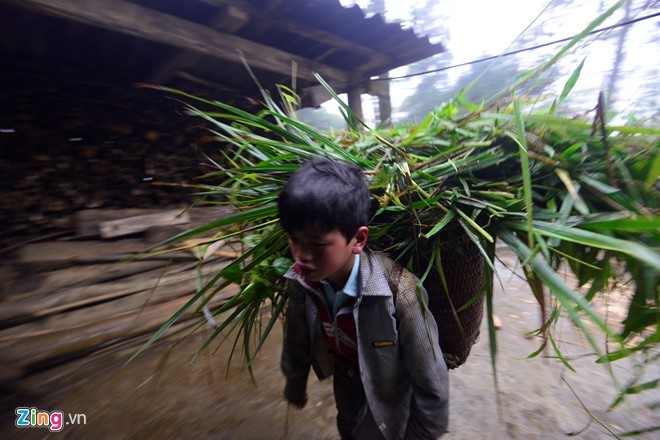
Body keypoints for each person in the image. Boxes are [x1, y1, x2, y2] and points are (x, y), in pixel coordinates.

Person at [278, 157, 449, 440]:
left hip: (392, 385)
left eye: (317, 244)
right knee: (349, 424)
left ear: (358, 239)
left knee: (389, 429)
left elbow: (431, 377)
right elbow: (296, 336)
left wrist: (423, 434)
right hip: (346, 375)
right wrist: (295, 381)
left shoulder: (400, 292)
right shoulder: (302, 282)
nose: (301, 255)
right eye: (293, 240)